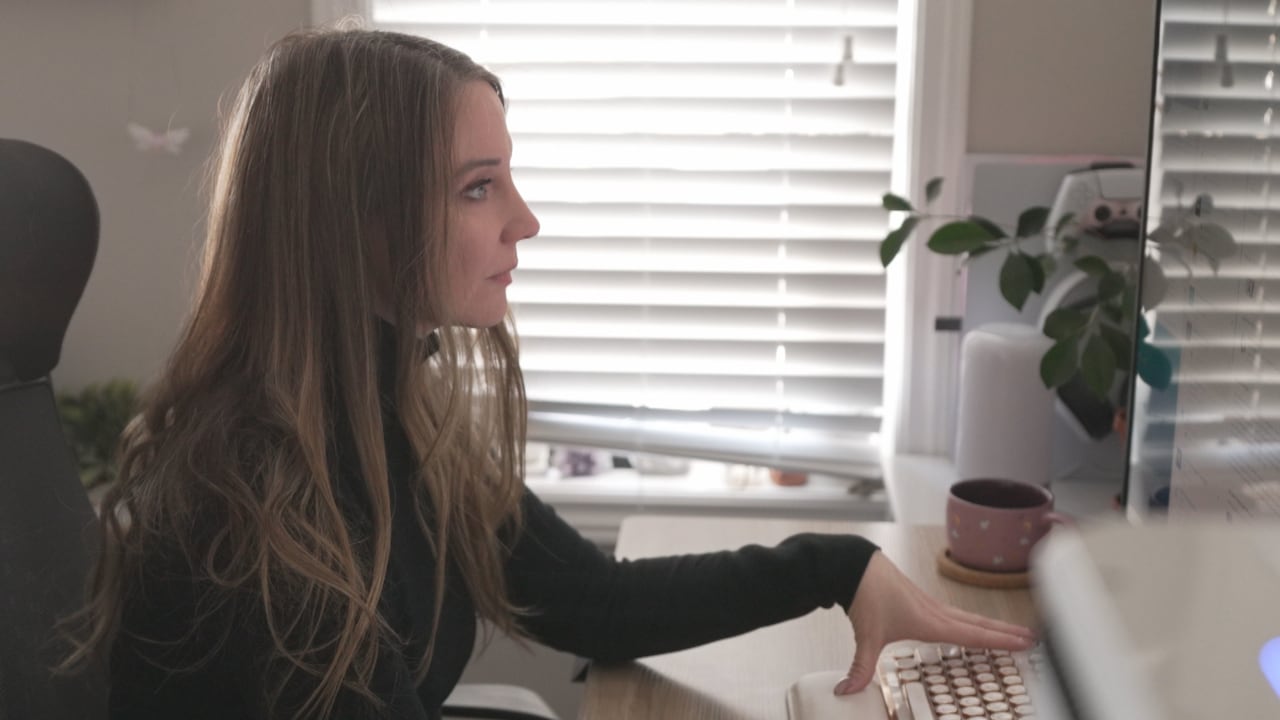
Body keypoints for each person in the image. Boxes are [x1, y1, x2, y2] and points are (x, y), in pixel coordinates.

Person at [61, 26, 1034, 720]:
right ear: (350, 225)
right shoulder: (255, 506)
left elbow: (592, 605)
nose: (524, 221)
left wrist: (840, 567)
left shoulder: (386, 415)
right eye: (478, 187)